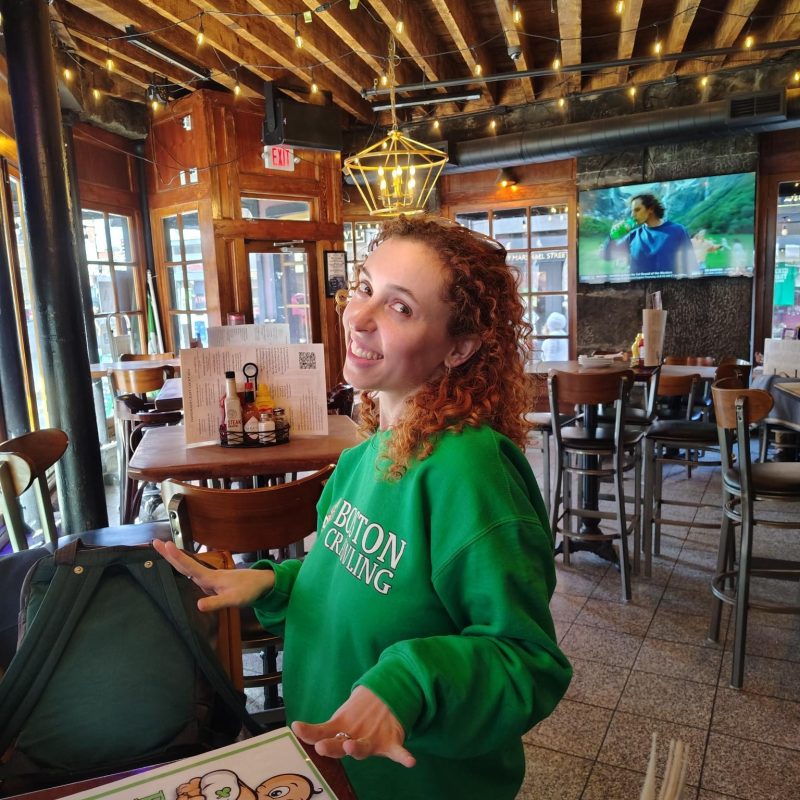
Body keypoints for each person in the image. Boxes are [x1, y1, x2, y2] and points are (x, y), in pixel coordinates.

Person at [154, 215, 571, 800]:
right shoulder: (363, 457)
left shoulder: (470, 470)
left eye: (400, 308)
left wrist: (411, 682)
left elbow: (528, 662)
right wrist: (271, 583)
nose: (357, 316)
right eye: (365, 289)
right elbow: (351, 578)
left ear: (460, 347)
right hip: (335, 771)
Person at [603, 193, 699, 277]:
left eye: (637, 210)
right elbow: (607, 256)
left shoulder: (677, 231)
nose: (632, 215)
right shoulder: (633, 235)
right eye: (632, 211)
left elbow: (691, 266)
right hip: (637, 293)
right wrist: (612, 237)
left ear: (651, 209)